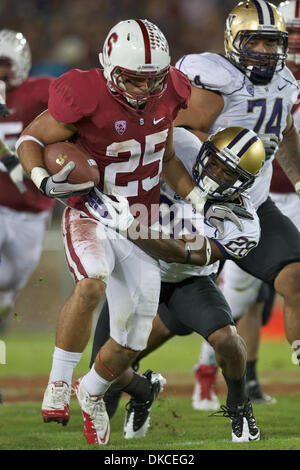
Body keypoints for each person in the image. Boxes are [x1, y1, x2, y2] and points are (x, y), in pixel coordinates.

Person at [17, 19, 243, 446]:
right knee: (91, 284)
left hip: (142, 222)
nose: (143, 90)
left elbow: (168, 157)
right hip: (93, 210)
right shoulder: (84, 93)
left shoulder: (172, 89)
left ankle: (91, 391)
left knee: (129, 342)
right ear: (108, 67)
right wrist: (43, 181)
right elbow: (30, 138)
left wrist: (197, 200)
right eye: (133, 80)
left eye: (151, 80)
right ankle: (59, 384)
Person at [89, 125, 265, 443]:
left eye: (228, 173)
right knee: (103, 374)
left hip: (187, 283)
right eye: (213, 162)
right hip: (133, 274)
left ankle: (239, 404)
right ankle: (145, 390)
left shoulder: (244, 222)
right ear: (205, 150)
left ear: (244, 183)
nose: (214, 174)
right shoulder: (182, 145)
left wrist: (129, 226)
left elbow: (187, 256)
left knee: (226, 339)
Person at [171, 0, 300, 411]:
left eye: (271, 42)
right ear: (233, 40)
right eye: (255, 41)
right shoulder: (214, 79)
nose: (264, 51)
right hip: (197, 206)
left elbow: (286, 133)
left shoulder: (286, 84)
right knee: (164, 316)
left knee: (294, 276)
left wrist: (298, 178)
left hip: (253, 206)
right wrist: (194, 191)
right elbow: (174, 135)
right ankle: (117, 376)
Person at [0, 29, 55, 327]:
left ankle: (5, 300)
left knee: (10, 280)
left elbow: (77, 106)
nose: (0, 71)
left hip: (31, 213)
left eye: (4, 62)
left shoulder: (39, 91)